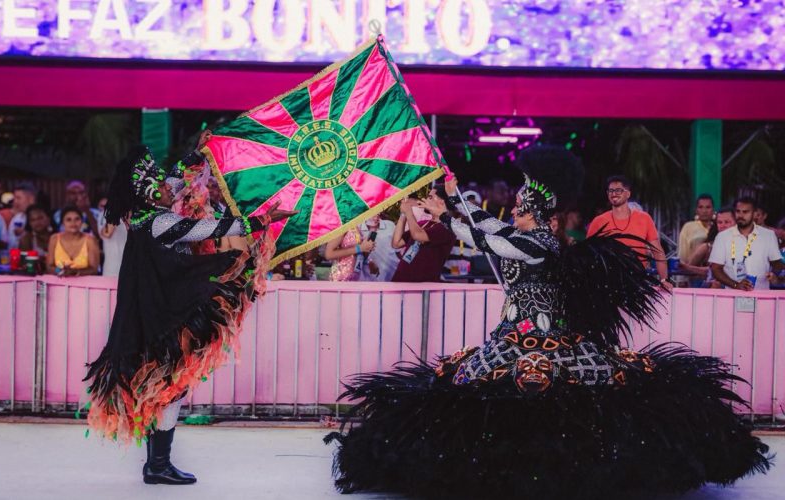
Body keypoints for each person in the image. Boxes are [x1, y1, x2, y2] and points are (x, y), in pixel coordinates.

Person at [326, 173, 769, 499]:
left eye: (520, 209)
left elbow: (491, 241)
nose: (514, 213)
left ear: (534, 216)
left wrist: (450, 214)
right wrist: (453, 203)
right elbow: (490, 229)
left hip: (547, 336)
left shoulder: (540, 244)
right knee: (476, 387)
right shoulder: (521, 234)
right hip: (511, 332)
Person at [82, 146, 295, 485]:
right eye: (161, 186)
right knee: (170, 388)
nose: (170, 189)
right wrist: (262, 221)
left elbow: (173, 181)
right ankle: (158, 465)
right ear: (149, 193)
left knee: (164, 387)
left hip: (152, 309)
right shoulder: (161, 221)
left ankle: (157, 464)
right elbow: (210, 229)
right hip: (165, 313)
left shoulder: (141, 215)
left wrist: (197, 153)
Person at [587, 175, 672, 291]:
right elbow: (588, 255)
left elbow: (658, 252)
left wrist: (663, 280)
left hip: (638, 283)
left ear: (628, 194)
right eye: (611, 191)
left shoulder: (644, 218)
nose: (614, 194)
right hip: (608, 283)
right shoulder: (598, 221)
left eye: (618, 190)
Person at [708, 197, 784, 291]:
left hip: (761, 294)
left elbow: (776, 263)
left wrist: (776, 276)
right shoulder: (722, 237)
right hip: (732, 295)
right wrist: (736, 285)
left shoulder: (768, 235)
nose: (741, 215)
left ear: (754, 213)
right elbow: (716, 269)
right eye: (738, 211)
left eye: (745, 212)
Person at [391, 190, 455, 282]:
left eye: (430, 197)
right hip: (400, 281)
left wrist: (409, 212)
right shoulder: (423, 223)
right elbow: (396, 243)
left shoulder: (447, 227)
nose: (425, 200)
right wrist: (403, 214)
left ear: (442, 202)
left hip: (422, 287)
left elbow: (417, 235)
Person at [679, 207, 734, 287]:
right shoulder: (711, 246)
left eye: (727, 222)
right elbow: (711, 271)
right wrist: (686, 267)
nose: (723, 225)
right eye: (719, 222)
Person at [45, 207, 100, 277]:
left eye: (77, 219)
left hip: (85, 283)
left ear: (82, 221)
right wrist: (61, 271)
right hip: (59, 282)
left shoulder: (90, 240)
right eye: (68, 220)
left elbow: (94, 269)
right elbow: (49, 267)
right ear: (62, 223)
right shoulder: (54, 239)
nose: (73, 223)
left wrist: (75, 272)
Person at [678, 194, 714, 263]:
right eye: (700, 207)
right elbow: (682, 254)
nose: (704, 211)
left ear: (713, 209)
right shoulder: (688, 227)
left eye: (708, 207)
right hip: (691, 266)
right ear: (696, 210)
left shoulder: (718, 226)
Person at [0, 182, 36, 250]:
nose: (15, 202)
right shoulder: (17, 218)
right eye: (14, 199)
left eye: (18, 198)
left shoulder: (42, 217)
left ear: (31, 199)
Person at [97, 198, 128, 277]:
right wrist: (113, 212)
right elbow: (107, 233)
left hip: (128, 263)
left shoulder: (127, 214)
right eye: (103, 206)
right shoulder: (102, 216)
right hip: (112, 267)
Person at [18, 205, 54, 274]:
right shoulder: (26, 239)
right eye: (33, 220)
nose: (37, 222)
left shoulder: (57, 237)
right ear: (29, 223)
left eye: (40, 218)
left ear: (48, 218)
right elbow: (23, 264)